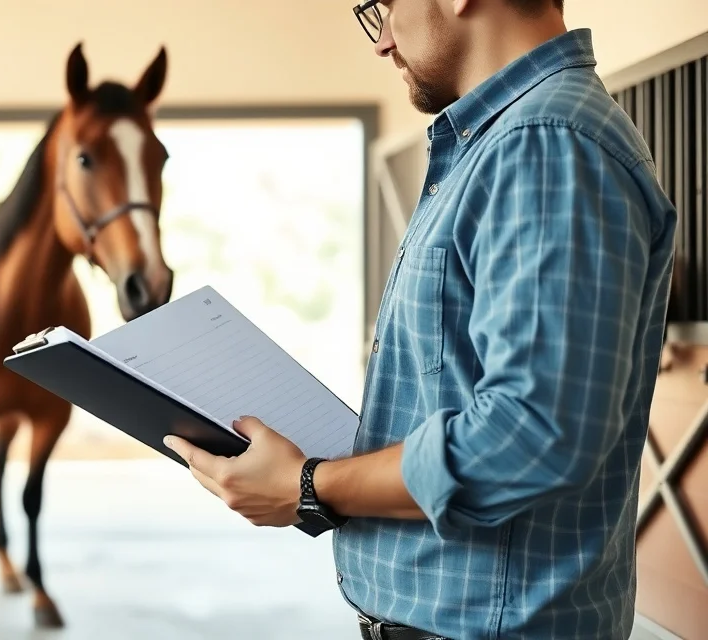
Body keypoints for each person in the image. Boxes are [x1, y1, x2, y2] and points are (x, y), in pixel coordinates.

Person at [163, 1, 679, 639]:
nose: (381, 41)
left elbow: (532, 435)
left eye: (384, 6)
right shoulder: (505, 143)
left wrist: (309, 484)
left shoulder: (545, 142)